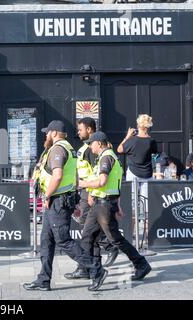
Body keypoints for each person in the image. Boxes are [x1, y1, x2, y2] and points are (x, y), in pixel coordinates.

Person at [23, 120, 108, 292]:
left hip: (57, 201)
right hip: (58, 201)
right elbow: (73, 176)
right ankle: (43, 279)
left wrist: (47, 196)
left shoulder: (58, 148)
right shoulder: (69, 148)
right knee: (46, 241)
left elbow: (58, 175)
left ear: (54, 133)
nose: (45, 135)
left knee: (63, 240)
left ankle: (96, 269)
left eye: (47, 132)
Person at [79, 131, 152, 281]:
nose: (90, 147)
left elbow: (102, 181)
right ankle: (91, 270)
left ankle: (141, 263)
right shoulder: (109, 157)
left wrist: (81, 184)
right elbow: (115, 183)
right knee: (88, 237)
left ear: (99, 143)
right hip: (102, 203)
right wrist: (116, 204)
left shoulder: (106, 157)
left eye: (91, 144)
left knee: (114, 238)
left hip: (104, 205)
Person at [65, 118, 119, 281]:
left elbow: (97, 173)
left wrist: (90, 192)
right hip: (87, 190)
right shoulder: (87, 147)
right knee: (89, 230)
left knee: (88, 230)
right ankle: (91, 264)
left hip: (89, 192)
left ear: (89, 130)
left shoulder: (91, 149)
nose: (78, 132)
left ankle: (105, 250)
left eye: (80, 129)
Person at [117, 114, 158, 194]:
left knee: (133, 200)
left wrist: (127, 136)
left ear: (138, 125)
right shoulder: (151, 141)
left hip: (133, 172)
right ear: (148, 127)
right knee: (146, 201)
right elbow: (154, 151)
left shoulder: (132, 140)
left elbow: (119, 149)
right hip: (147, 174)